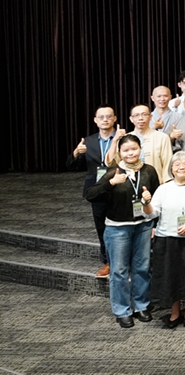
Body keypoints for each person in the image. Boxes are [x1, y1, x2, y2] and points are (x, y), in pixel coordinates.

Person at [85, 134, 160, 328]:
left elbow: (157, 198)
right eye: (126, 150)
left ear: (140, 149)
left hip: (143, 226)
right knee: (119, 271)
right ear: (119, 152)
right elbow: (90, 195)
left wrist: (154, 222)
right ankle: (122, 310)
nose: (130, 153)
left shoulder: (149, 171)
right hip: (118, 228)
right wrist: (111, 183)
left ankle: (141, 305)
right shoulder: (112, 172)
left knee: (142, 268)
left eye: (134, 149)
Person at [145, 152, 185, 328]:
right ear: (171, 169)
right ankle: (174, 310)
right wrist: (145, 203)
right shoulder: (163, 189)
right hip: (167, 238)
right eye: (177, 164)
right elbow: (152, 213)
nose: (181, 167)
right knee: (171, 275)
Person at [66, 105, 118, 277]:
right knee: (101, 227)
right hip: (96, 190)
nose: (105, 120)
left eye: (108, 116)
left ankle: (125, 260)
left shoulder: (122, 138)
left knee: (122, 226)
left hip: (119, 188)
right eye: (101, 117)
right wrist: (76, 153)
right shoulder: (88, 141)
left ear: (114, 118)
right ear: (95, 120)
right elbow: (72, 166)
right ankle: (107, 261)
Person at [108, 104, 173, 184]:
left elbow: (167, 164)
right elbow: (111, 163)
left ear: (150, 117)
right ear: (131, 119)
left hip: (155, 183)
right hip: (129, 184)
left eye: (144, 114)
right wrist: (115, 140)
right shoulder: (125, 138)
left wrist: (165, 185)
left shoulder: (162, 137)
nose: (140, 118)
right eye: (136, 115)